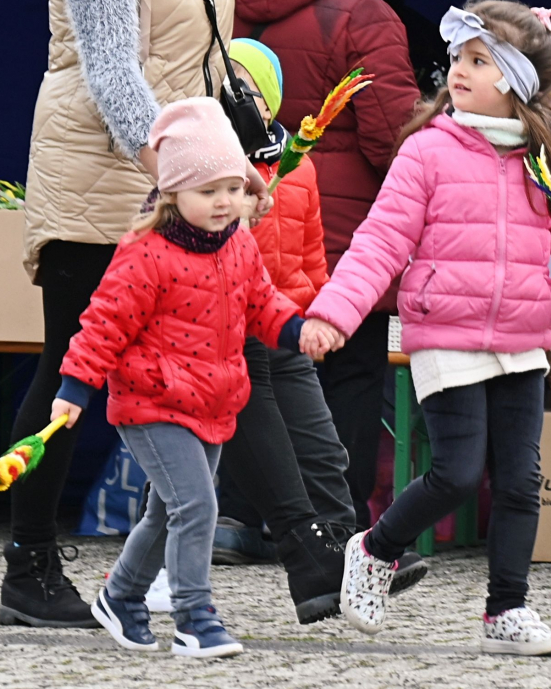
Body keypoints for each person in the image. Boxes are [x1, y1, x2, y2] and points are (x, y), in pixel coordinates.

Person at [300, 0, 551, 654]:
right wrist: (334, 313)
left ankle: (507, 612)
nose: (458, 72)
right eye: (457, 59)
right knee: (458, 474)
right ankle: (375, 549)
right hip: (445, 332)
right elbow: (380, 241)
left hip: (522, 338)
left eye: (478, 60)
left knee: (522, 481)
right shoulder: (427, 150)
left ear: (517, 79)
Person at [5, 0, 234, 628]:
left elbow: (208, 50)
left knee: (205, 366)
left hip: (173, 176)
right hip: (102, 178)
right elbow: (110, 67)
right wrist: (178, 170)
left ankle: (277, 551)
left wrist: (234, 139)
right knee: (69, 372)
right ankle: (29, 568)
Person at [140, 40, 428, 623]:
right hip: (222, 335)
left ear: (269, 100)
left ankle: (348, 555)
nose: (233, 94)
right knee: (197, 468)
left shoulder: (298, 166)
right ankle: (148, 576)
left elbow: (312, 255)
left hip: (282, 325)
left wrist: (316, 316)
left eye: (245, 85)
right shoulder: (199, 168)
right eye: (225, 82)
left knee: (323, 449)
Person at [49, 96, 344, 659]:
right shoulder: (146, 254)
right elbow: (103, 324)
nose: (224, 202)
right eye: (208, 191)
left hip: (211, 401)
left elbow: (263, 304)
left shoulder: (238, 245)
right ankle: (194, 617)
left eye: (233, 188)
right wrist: (74, 388)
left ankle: (120, 596)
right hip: (151, 403)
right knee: (197, 506)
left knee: (168, 511)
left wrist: (299, 330)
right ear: (174, 192)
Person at [232, 0, 420, 526]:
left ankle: (239, 517)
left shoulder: (226, 2)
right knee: (348, 372)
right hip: (336, 232)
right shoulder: (364, 14)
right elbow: (391, 134)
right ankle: (334, 524)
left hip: (239, 220)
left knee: (251, 370)